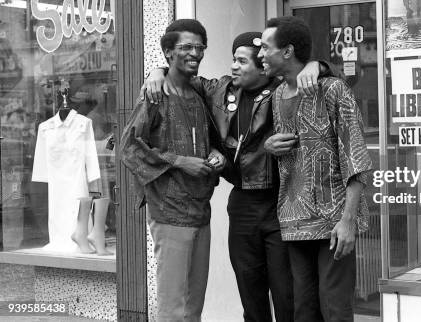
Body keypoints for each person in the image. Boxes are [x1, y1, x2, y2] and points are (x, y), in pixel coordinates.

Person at [141, 31, 335, 322]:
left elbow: (325, 82)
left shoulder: (284, 90)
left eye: (242, 62)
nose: (234, 66)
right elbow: (181, 74)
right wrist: (157, 71)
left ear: (263, 66)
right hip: (242, 203)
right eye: (234, 59)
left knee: (287, 294)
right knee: (250, 291)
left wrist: (318, 65)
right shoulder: (219, 90)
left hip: (280, 203)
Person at [260, 16, 372, 322]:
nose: (259, 55)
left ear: (287, 51)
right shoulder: (275, 97)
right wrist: (267, 147)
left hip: (333, 222)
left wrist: (348, 220)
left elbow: (356, 158)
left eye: (265, 47)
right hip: (293, 224)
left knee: (335, 310)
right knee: (304, 311)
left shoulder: (334, 90)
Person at [120, 19, 224, 322]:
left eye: (200, 47)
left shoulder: (200, 94)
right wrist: (179, 161)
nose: (195, 53)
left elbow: (211, 137)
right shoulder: (155, 94)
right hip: (169, 211)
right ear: (168, 53)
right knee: (172, 307)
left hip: (201, 210)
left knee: (194, 304)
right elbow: (129, 147)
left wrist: (214, 154)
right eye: (186, 47)